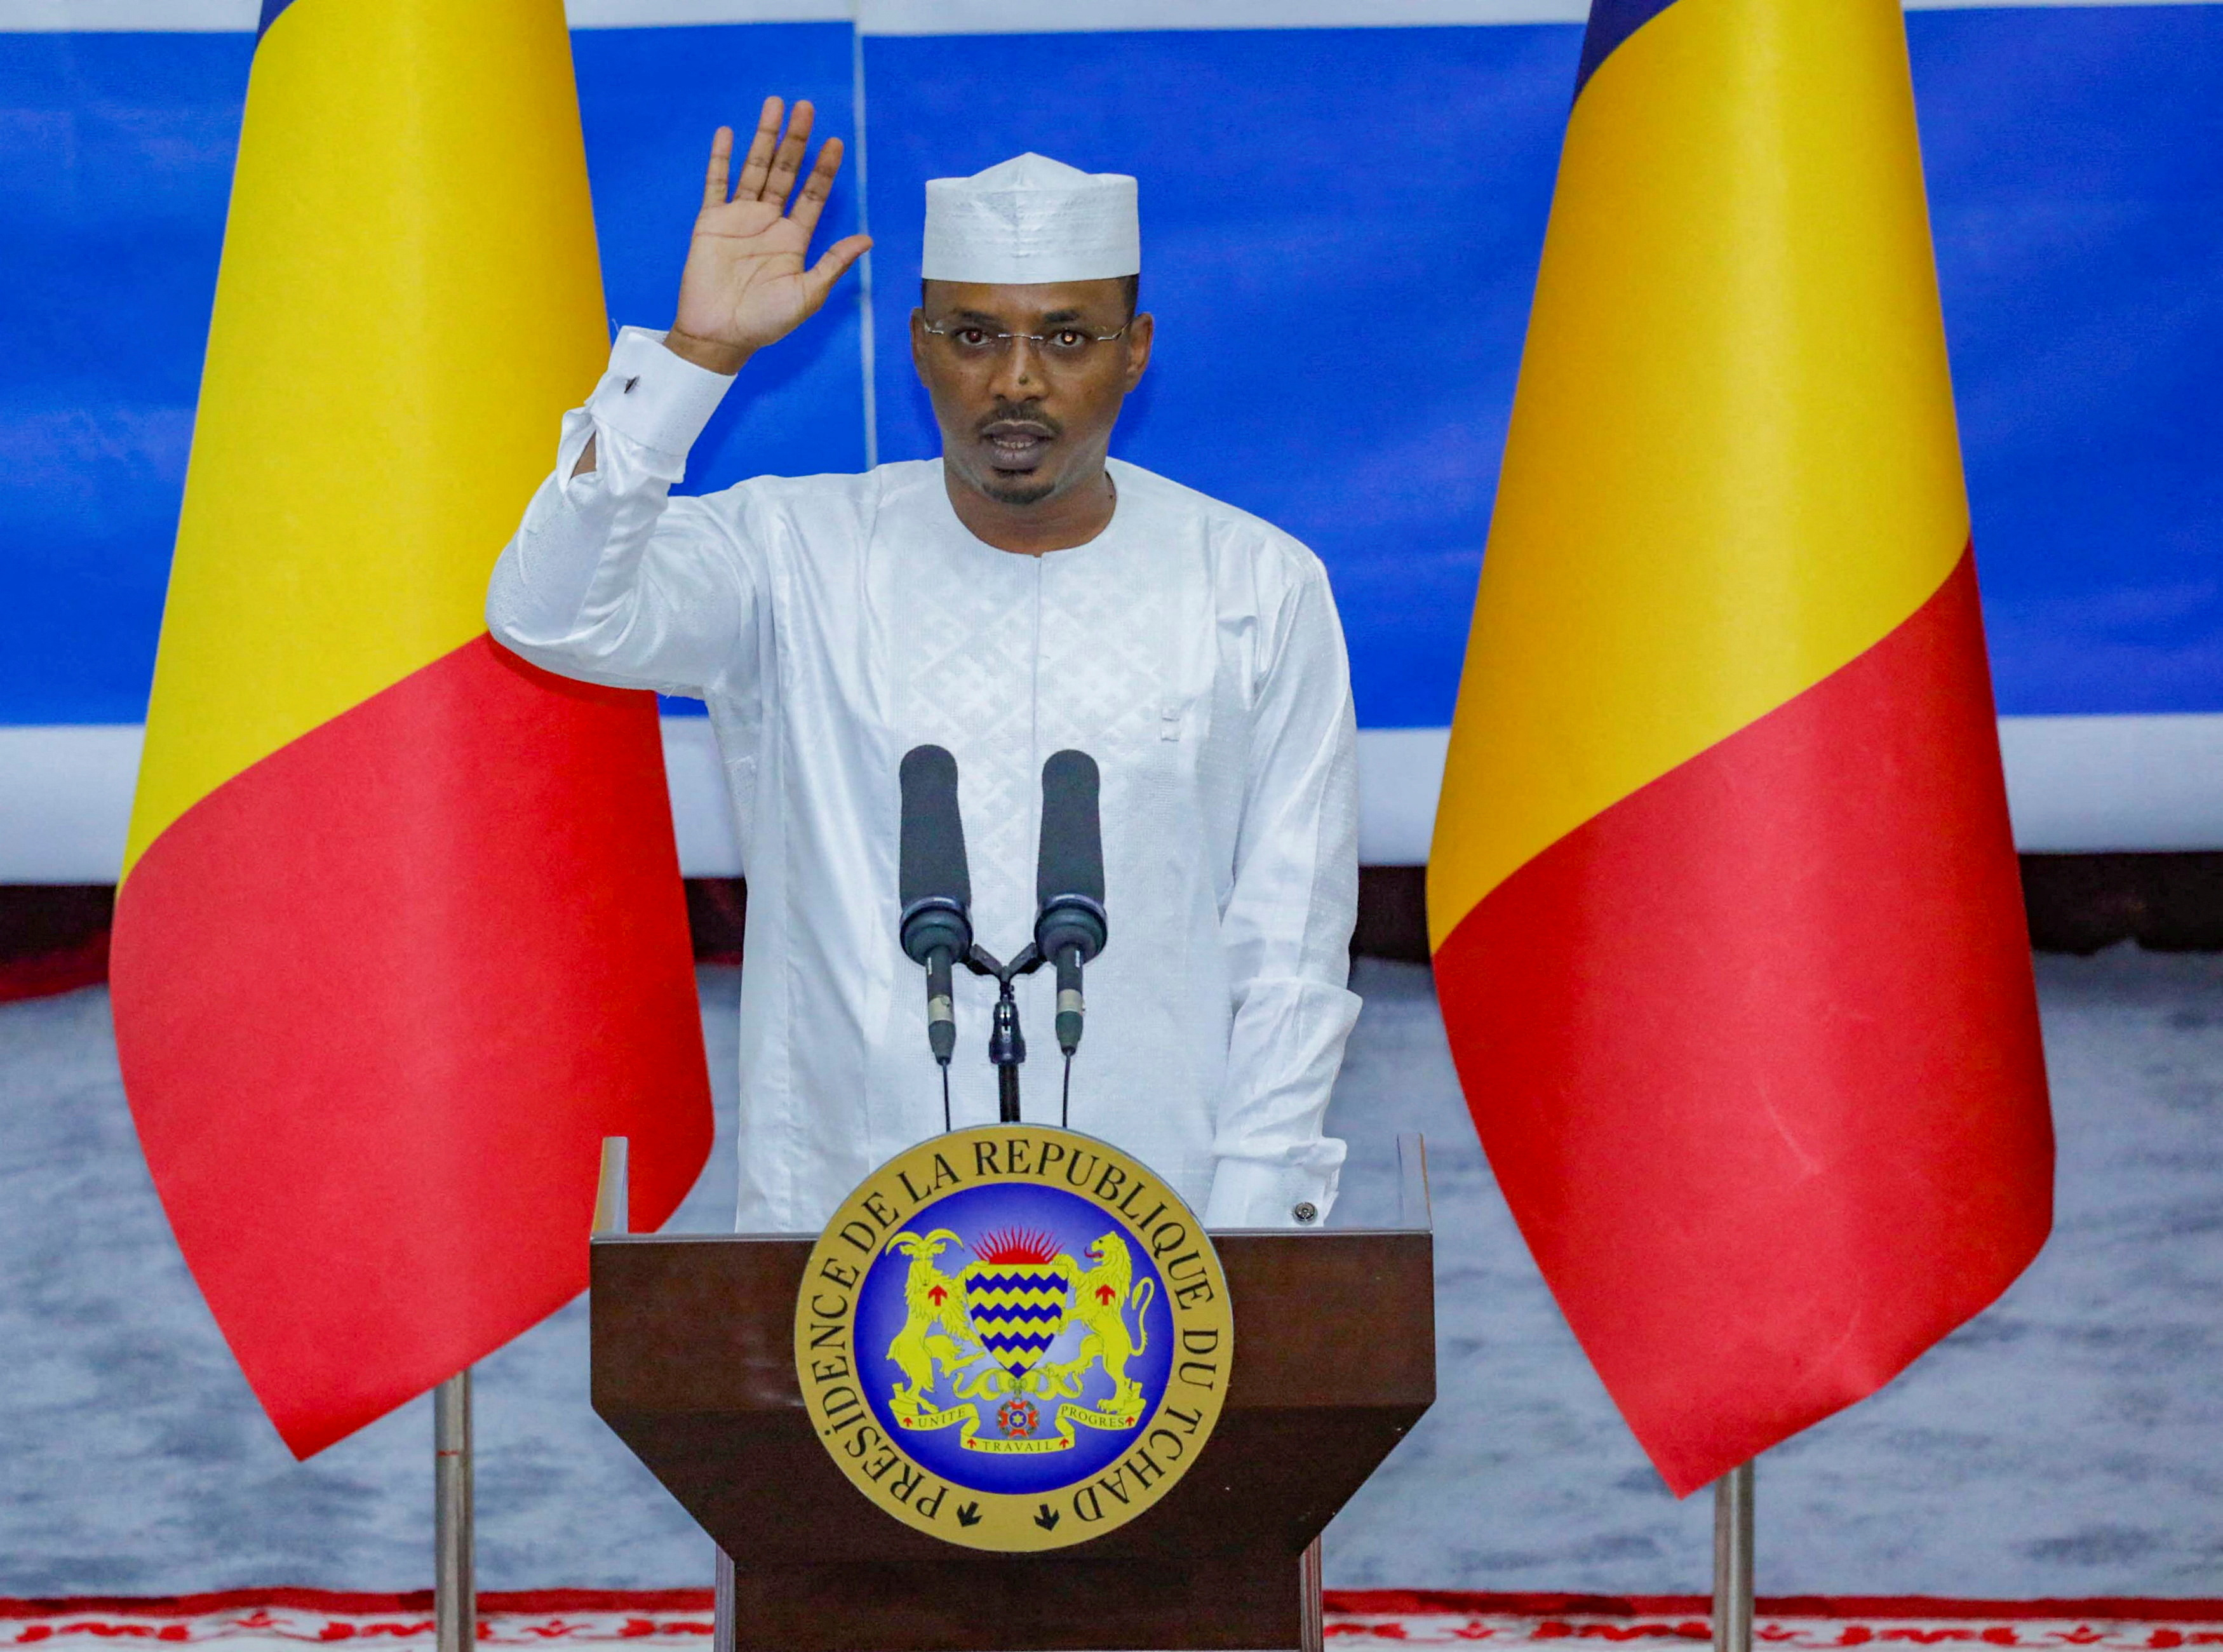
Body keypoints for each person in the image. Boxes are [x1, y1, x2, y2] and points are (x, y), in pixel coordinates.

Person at [488, 97, 1359, 1233]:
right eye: (975, 335)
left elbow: (1287, 951)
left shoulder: (1257, 585)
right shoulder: (790, 553)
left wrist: (1249, 1249)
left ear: (1134, 352)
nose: (1016, 380)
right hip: (840, 1256)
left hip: (1163, 1249)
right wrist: (695, 359)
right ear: (920, 346)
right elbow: (550, 616)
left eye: (1066, 336)